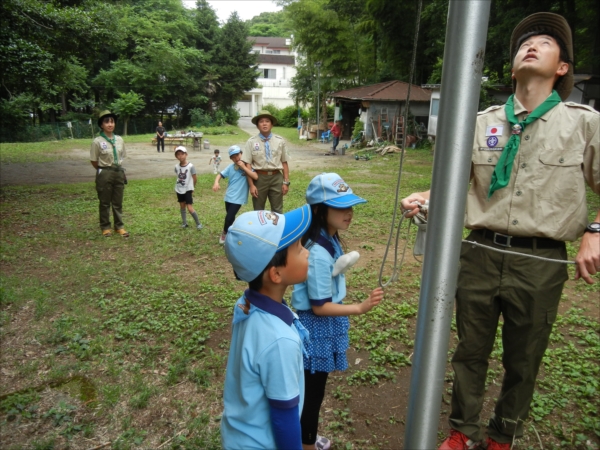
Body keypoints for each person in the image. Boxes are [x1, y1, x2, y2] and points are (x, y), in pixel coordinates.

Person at [400, 12, 599, 450]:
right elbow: (454, 184)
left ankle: (502, 435)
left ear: (562, 68)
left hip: (540, 260)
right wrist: (424, 195)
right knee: (469, 350)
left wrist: (595, 230)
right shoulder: (481, 122)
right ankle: (462, 430)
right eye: (524, 44)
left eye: (545, 43)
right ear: (512, 67)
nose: (531, 46)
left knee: (523, 359)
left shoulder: (584, 123)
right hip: (479, 252)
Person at [292, 173, 385, 450]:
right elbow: (319, 307)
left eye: (350, 206)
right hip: (317, 328)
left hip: (321, 325)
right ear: (319, 210)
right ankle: (305, 444)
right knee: (312, 393)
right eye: (341, 207)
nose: (350, 213)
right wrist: (359, 307)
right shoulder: (318, 252)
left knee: (311, 390)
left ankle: (303, 437)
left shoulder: (327, 237)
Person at [221, 205, 312, 450]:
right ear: (276, 274)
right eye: (299, 248)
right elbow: (284, 417)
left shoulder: (246, 303)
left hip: (239, 436)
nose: (306, 252)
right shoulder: (280, 341)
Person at [90, 110, 129, 238]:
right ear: (101, 125)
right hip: (105, 173)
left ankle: (119, 227)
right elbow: (94, 161)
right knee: (105, 202)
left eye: (112, 121)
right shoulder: (97, 141)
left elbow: (123, 155)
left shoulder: (119, 140)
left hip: (118, 172)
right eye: (107, 122)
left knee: (118, 202)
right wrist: (104, 170)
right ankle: (105, 227)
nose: (110, 124)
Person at [245, 110, 290, 214]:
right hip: (259, 178)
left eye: (267, 121)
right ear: (257, 126)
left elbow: (284, 162)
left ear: (272, 124)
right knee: (258, 210)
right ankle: (260, 230)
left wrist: (286, 182)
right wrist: (251, 185)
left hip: (276, 178)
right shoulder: (251, 142)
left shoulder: (280, 141)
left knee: (277, 209)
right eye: (261, 121)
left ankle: (277, 229)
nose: (264, 124)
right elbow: (248, 165)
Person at [212, 145, 258, 245]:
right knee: (230, 217)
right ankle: (230, 232)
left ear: (242, 154)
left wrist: (244, 167)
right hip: (229, 196)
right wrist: (216, 182)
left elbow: (255, 176)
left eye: (238, 155)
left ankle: (224, 233)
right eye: (233, 157)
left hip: (239, 198)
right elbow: (220, 175)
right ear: (231, 158)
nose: (236, 158)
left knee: (229, 217)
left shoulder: (248, 166)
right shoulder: (231, 167)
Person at [174, 146, 203, 230]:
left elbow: (195, 178)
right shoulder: (176, 167)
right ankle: (184, 223)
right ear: (176, 156)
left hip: (187, 190)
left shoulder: (191, 166)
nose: (180, 156)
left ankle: (198, 223)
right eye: (178, 154)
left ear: (186, 154)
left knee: (189, 208)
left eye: (182, 154)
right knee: (182, 206)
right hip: (179, 189)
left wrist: (192, 187)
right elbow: (178, 175)